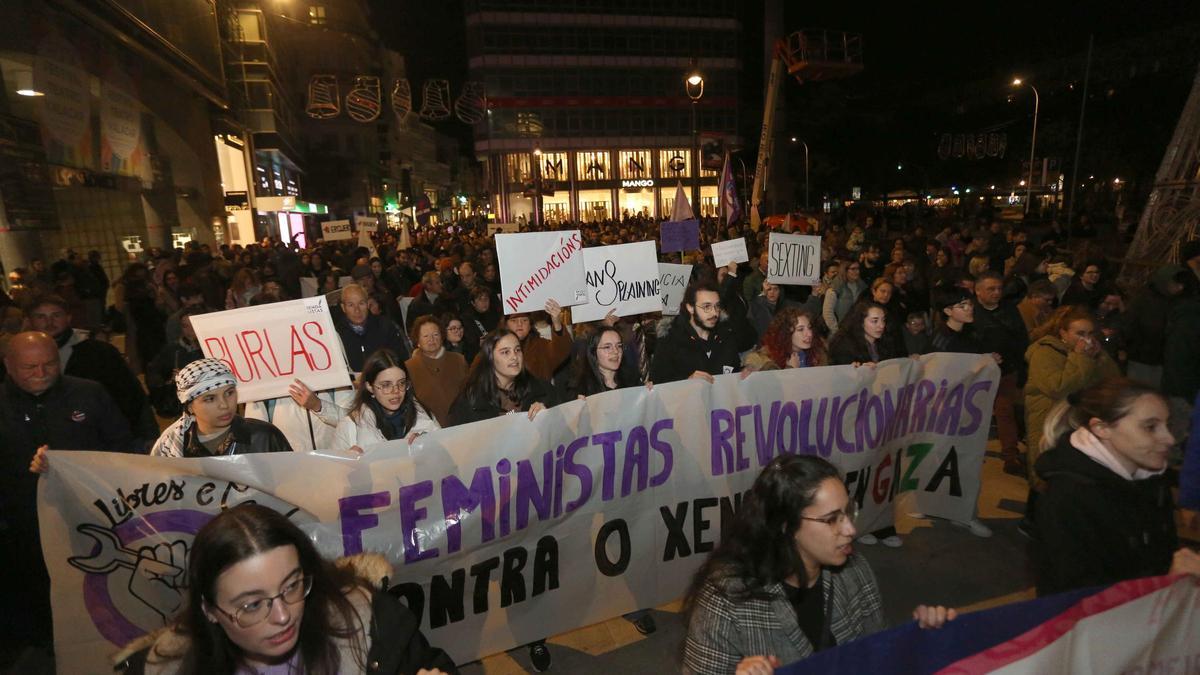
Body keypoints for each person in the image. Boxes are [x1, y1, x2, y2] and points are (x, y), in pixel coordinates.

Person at [682, 455, 956, 675]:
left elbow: (880, 656)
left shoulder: (855, 571)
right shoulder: (727, 598)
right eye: (831, 519)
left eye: (848, 512)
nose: (850, 529)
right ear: (786, 526)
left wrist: (921, 637)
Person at [115, 503, 456, 674]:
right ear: (210, 611)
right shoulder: (162, 667)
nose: (283, 616)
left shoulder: (377, 624)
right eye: (251, 605)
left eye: (292, 586)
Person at [2, 331, 135, 658]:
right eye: (30, 368)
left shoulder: (89, 393)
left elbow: (123, 448)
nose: (41, 373)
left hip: (89, 521)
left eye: (49, 364)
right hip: (21, 530)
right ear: (8, 366)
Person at [447, 329, 558, 670]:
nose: (514, 357)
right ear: (490, 358)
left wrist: (549, 409)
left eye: (517, 350)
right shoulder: (470, 401)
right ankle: (473, 646)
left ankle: (533, 637)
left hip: (530, 499)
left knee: (526, 574)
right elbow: (456, 448)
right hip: (491, 505)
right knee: (492, 576)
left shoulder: (537, 389)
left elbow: (567, 421)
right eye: (505, 351)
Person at [1033, 378, 1200, 596]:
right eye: (1150, 427)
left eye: (1166, 425)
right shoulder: (1068, 499)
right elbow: (1078, 600)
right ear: (1102, 428)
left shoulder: (1152, 480)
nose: (1169, 439)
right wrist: (1168, 581)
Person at [1023, 306, 1121, 511]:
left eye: (1090, 333)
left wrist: (1099, 357)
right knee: (1046, 469)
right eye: (1080, 333)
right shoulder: (1044, 351)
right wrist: (1082, 358)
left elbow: (1113, 380)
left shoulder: (1089, 353)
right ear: (1063, 333)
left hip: (1078, 418)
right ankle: (1035, 519)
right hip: (1049, 418)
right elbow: (1058, 387)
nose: (1086, 339)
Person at [25, 293, 158, 444]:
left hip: (99, 437)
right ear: (30, 321)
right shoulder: (19, 356)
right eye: (41, 317)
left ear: (68, 318)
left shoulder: (98, 352)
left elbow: (131, 395)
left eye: (56, 315)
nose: (49, 322)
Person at [828, 302, 901, 547]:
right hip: (855, 419)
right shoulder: (843, 346)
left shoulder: (887, 342)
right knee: (860, 471)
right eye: (874, 321)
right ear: (860, 321)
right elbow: (837, 379)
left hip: (882, 417)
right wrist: (856, 372)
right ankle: (860, 525)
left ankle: (883, 525)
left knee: (882, 469)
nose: (881, 326)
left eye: (883, 320)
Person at [151, 359, 294, 457]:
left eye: (229, 393)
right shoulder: (174, 446)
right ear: (190, 407)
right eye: (210, 398)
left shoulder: (265, 437)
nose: (225, 405)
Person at [971, 271, 1029, 476]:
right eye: (991, 289)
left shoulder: (1010, 310)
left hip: (1006, 372)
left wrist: (1021, 368)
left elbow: (1022, 339)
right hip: (978, 376)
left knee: (1005, 412)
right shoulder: (970, 313)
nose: (997, 293)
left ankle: (1010, 455)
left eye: (999, 289)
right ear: (978, 291)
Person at [334, 349, 439, 454]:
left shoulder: (423, 415)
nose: (396, 391)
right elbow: (335, 468)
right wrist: (351, 464)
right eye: (386, 385)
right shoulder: (350, 426)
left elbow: (447, 460)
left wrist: (429, 444)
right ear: (370, 387)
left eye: (401, 383)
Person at [403, 315, 470, 427]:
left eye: (435, 334)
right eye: (426, 336)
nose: (431, 339)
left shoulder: (458, 360)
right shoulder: (409, 367)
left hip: (462, 426)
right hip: (428, 429)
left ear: (442, 336)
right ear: (417, 340)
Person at [336, 283, 410, 372]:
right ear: (343, 307)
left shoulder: (386, 326)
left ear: (368, 304)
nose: (357, 310)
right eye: (351, 305)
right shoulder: (336, 334)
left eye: (361, 303)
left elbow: (402, 358)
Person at [742, 307, 826, 372]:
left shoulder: (817, 354)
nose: (809, 334)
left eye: (809, 328)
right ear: (786, 333)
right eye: (800, 329)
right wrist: (791, 370)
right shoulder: (765, 360)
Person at [822, 261, 866, 333]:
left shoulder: (862, 286)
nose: (857, 271)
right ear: (844, 270)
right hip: (841, 330)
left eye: (858, 269)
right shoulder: (834, 288)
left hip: (858, 329)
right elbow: (827, 313)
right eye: (853, 269)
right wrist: (836, 331)